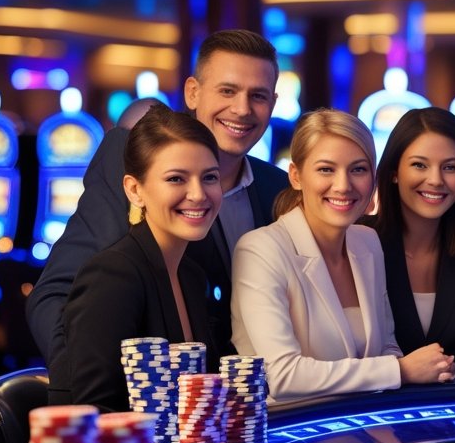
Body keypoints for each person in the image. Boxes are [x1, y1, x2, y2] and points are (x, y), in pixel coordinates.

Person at [27, 29, 288, 366]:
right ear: (192, 93)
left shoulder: (277, 188)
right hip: (153, 401)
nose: (242, 109)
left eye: (258, 96)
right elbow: (54, 294)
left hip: (256, 404)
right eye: (227, 90)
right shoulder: (133, 161)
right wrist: (90, 385)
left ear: (273, 104)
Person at [230, 111, 454, 402]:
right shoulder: (260, 250)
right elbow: (282, 375)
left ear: (373, 180)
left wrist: (409, 368)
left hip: (359, 429)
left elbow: (386, 347)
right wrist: (400, 370)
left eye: (358, 170)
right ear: (296, 176)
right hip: (287, 434)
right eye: (326, 169)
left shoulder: (368, 241)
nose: (343, 185)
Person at [49, 107, 221, 411]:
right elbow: (96, 414)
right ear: (135, 190)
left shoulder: (191, 275)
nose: (198, 194)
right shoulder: (113, 276)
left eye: (209, 177)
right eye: (176, 179)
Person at [366, 107, 455, 376]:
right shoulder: (359, 242)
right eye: (419, 165)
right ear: (394, 171)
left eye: (450, 167)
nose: (435, 180)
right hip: (369, 414)